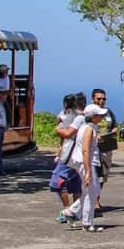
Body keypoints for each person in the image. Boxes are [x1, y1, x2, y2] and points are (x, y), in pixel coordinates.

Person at [61, 103, 106, 232]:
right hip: (84, 162)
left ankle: (71, 211)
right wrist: (88, 171)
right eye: (99, 115)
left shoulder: (86, 127)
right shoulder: (89, 129)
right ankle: (87, 223)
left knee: (93, 190)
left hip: (83, 161)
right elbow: (85, 150)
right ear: (93, 116)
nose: (101, 117)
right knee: (91, 191)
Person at [51, 94, 83, 222]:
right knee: (76, 183)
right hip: (77, 154)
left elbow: (64, 133)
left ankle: (67, 210)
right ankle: (76, 211)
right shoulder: (81, 116)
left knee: (58, 181)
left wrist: (57, 130)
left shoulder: (66, 115)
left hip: (68, 154)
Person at [91, 88, 117, 211]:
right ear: (93, 99)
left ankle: (97, 198)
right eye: (99, 99)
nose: (101, 101)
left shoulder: (108, 112)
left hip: (107, 147)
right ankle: (94, 201)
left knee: (103, 175)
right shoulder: (90, 112)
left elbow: (114, 126)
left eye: (103, 99)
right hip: (94, 147)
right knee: (95, 174)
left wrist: (114, 131)